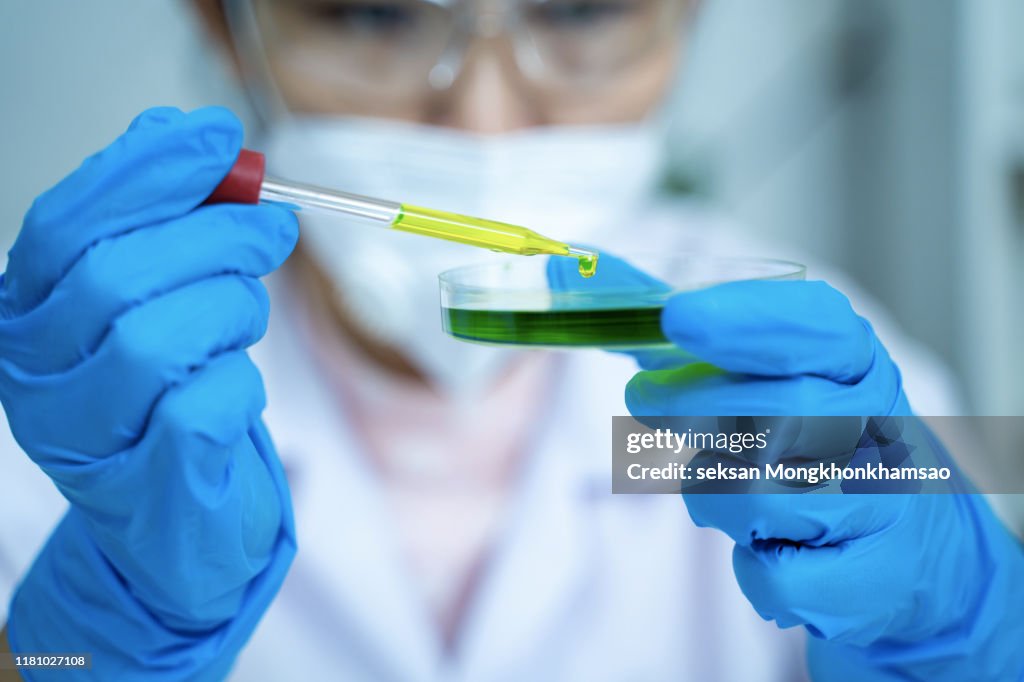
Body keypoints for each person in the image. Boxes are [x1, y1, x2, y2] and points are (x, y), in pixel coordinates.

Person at [1, 0, 1022, 680]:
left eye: (576, 7)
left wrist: (962, 632)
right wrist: (81, 649)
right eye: (375, 11)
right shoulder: (71, 409)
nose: (484, 118)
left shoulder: (832, 390)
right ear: (226, 25)